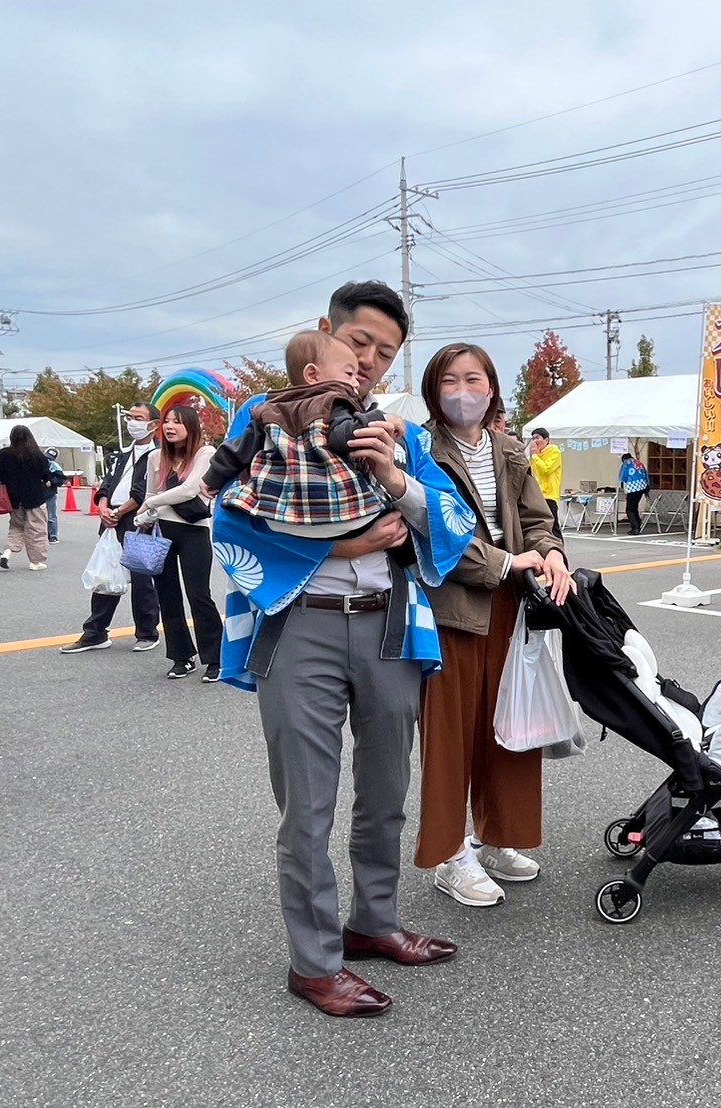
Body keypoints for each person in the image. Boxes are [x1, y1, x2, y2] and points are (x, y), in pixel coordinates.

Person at [212, 280, 474, 1019]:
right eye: (358, 343)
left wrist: (394, 478)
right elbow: (227, 523)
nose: (367, 362)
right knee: (308, 804)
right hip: (303, 625)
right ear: (325, 335)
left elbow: (451, 523)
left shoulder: (402, 434)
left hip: (390, 621)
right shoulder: (269, 416)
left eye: (384, 354)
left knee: (387, 789)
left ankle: (374, 923)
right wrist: (349, 541)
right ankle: (315, 963)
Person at [417, 343, 570, 909]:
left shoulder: (509, 449)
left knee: (510, 723)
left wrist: (550, 553)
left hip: (508, 605)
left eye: (473, 379)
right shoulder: (421, 451)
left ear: (491, 387)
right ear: (435, 390)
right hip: (449, 608)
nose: (463, 391)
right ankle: (451, 855)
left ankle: (498, 836)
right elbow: (433, 534)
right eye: (450, 380)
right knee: (450, 732)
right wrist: (506, 562)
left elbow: (536, 519)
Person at [202, 330, 391, 538]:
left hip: (277, 515)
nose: (356, 383)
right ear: (312, 375)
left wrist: (211, 479)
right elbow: (344, 438)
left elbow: (236, 451)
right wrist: (378, 418)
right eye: (349, 374)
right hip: (338, 512)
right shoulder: (333, 401)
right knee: (393, 519)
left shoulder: (269, 408)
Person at [60, 404, 163, 654]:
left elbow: (144, 491)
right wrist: (103, 506)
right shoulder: (123, 453)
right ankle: (95, 632)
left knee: (141, 579)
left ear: (154, 424)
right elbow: (107, 483)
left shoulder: (158, 455)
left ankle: (147, 632)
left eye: (138, 418)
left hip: (137, 519)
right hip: (112, 519)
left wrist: (118, 512)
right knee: (105, 576)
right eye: (130, 418)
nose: (132, 423)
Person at [135, 405, 222, 681]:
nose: (170, 427)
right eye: (167, 422)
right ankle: (181, 657)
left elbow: (189, 490)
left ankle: (215, 658)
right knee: (168, 596)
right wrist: (148, 514)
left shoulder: (205, 454)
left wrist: (151, 503)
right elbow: (150, 490)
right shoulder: (155, 457)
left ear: (191, 427)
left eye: (177, 422)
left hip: (194, 531)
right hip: (162, 530)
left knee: (199, 594)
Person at [0, 426, 53, 570]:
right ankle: (36, 561)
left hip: (13, 498)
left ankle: (7, 552)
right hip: (34, 497)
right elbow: (45, 475)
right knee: (37, 529)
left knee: (16, 527)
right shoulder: (37, 455)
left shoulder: (4, 455)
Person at [527, 427, 563, 529]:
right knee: (541, 526)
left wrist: (535, 456)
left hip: (549, 495)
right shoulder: (537, 454)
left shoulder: (554, 451)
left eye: (537, 438)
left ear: (546, 440)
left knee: (553, 525)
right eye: (533, 439)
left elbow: (546, 469)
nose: (535, 441)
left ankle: (558, 543)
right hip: (537, 494)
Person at [618, 451, 651, 535]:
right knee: (634, 506)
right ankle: (638, 523)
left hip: (633, 487)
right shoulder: (639, 462)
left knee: (629, 508)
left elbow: (623, 476)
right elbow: (646, 475)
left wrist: (624, 482)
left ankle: (635, 527)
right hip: (643, 486)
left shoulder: (627, 463)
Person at [42, 449, 66, 544]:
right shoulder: (38, 465)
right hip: (38, 494)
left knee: (51, 515)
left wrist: (52, 482)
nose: (48, 460)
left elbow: (61, 480)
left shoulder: (55, 467)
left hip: (50, 494)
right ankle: (42, 535)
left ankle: (53, 536)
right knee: (38, 515)